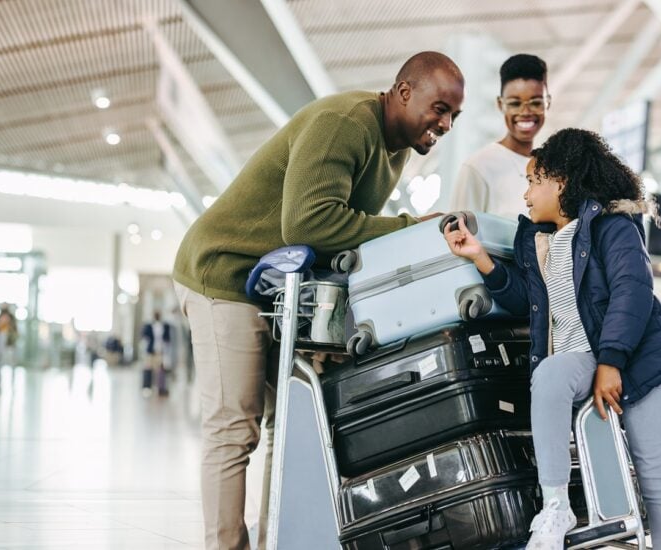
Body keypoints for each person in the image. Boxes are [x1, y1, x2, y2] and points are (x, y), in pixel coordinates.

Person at [173, 51, 465, 550]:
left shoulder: (393, 148)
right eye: (439, 108)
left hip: (276, 288)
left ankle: (277, 541)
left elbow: (336, 240)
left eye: (454, 116)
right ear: (403, 92)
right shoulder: (345, 123)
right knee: (234, 427)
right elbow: (309, 224)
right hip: (224, 273)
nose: (445, 123)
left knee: (288, 426)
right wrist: (409, 228)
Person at [443, 128, 661, 550]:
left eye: (533, 181)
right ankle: (555, 505)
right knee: (552, 373)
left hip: (643, 363)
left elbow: (633, 291)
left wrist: (611, 362)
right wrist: (480, 257)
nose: (525, 195)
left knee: (653, 476)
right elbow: (526, 300)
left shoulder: (613, 226)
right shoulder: (539, 241)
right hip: (584, 358)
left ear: (560, 182)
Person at [448, 54, 549, 219]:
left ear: (547, 103)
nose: (525, 112)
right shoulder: (478, 168)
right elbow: (457, 237)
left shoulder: (551, 169)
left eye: (536, 103)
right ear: (500, 105)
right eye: (515, 104)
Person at [141, 312, 171, 397]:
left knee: (161, 371)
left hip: (160, 351)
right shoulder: (149, 326)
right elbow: (145, 337)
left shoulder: (165, 326)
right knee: (148, 369)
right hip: (150, 351)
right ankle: (147, 387)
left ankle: (161, 388)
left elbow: (167, 339)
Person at [0, 303, 18, 367]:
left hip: (9, 336)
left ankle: (12, 365)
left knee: (11, 354)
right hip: (1, 335)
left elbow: (14, 327)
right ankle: (0, 365)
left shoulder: (11, 317)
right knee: (0, 352)